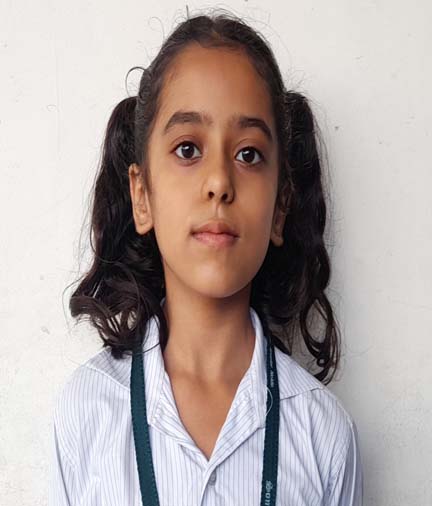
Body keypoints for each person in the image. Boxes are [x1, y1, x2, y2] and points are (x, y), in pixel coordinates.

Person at [48, 10, 363, 506]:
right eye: (188, 149)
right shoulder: (86, 411)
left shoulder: (324, 435)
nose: (218, 182)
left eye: (248, 154)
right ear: (142, 196)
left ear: (280, 207)